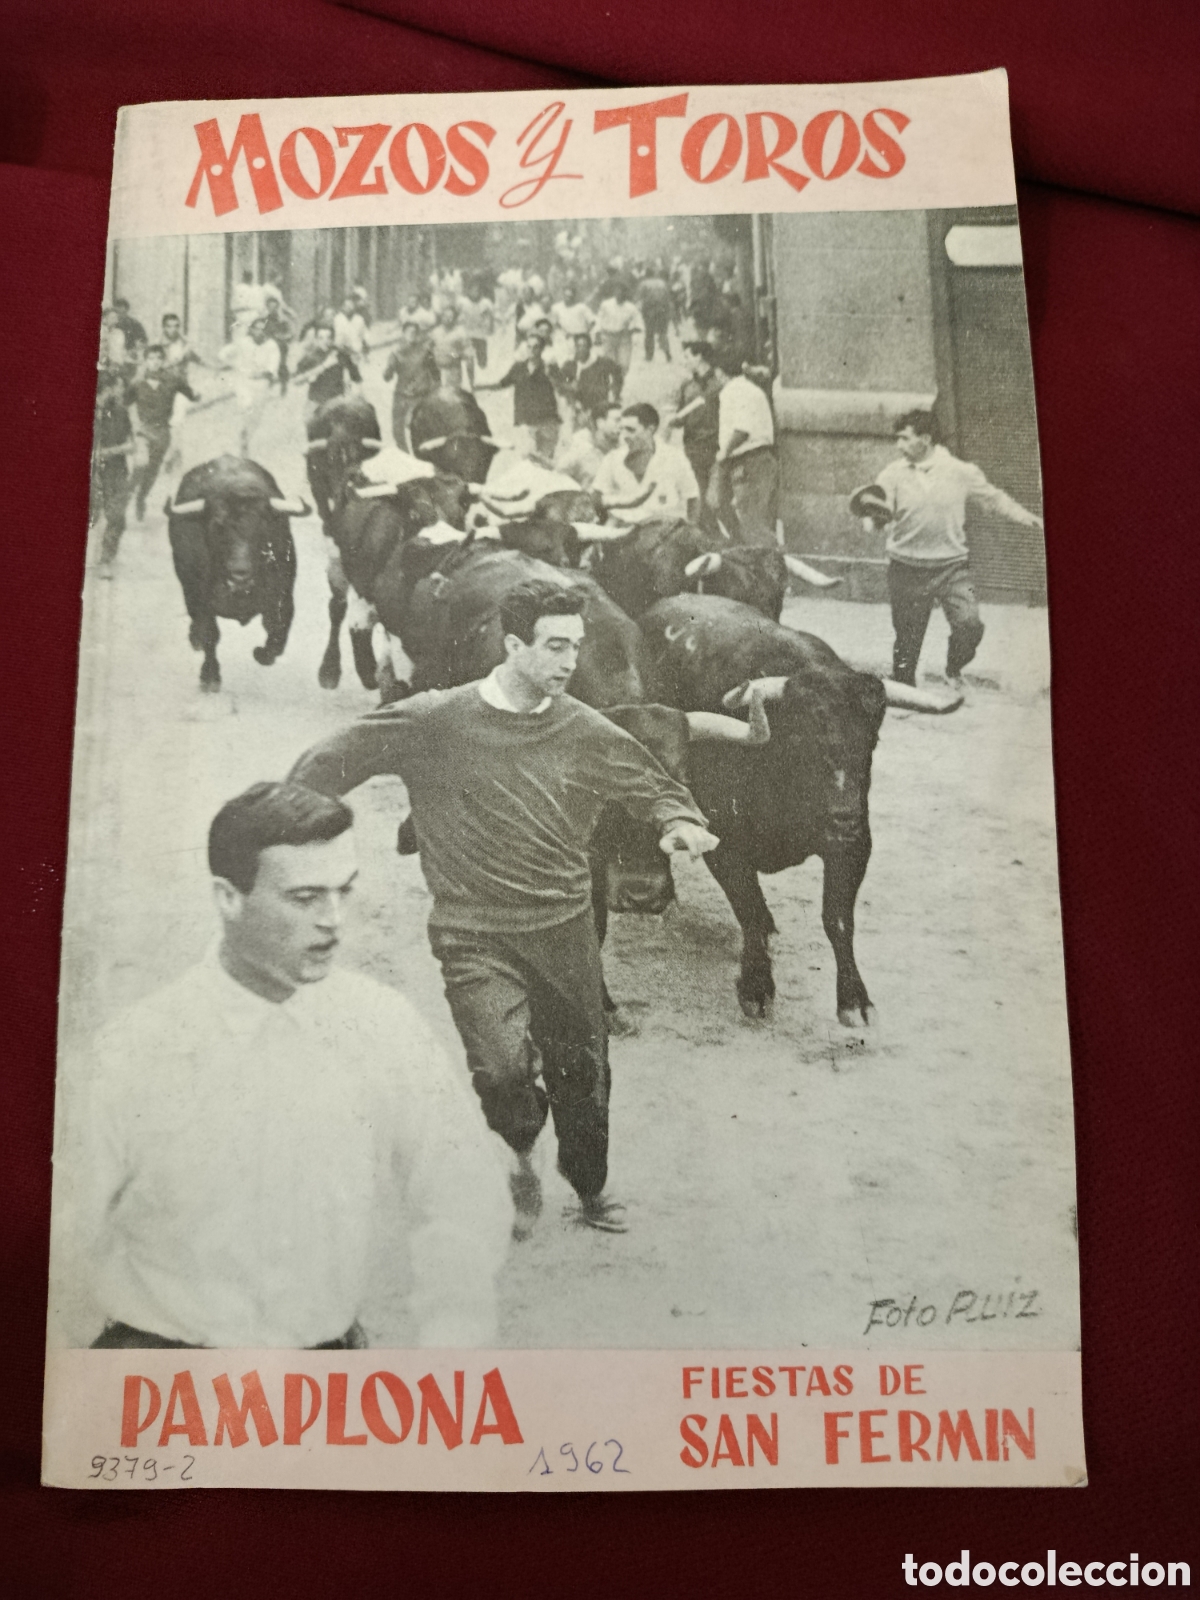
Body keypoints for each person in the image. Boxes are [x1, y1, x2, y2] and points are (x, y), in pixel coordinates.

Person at [290, 581, 718, 1237]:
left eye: (575, 646)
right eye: (554, 646)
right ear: (513, 644)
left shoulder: (581, 726)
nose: (569, 661)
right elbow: (330, 760)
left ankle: (589, 1187)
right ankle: (519, 1155)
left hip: (564, 929)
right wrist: (289, 822)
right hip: (473, 933)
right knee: (501, 1066)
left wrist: (678, 821)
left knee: (583, 1072)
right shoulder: (435, 719)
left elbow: (650, 782)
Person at [74, 782, 511, 1350]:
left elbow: (459, 1189)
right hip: (162, 1373)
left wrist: (455, 1334)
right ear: (228, 898)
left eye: (343, 891)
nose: (334, 919)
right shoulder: (137, 1049)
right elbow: (58, 1234)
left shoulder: (382, 1026)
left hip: (321, 1367)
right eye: (305, 898)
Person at [862, 410, 1044, 688]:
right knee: (907, 638)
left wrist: (1026, 517)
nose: (898, 445)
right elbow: (877, 513)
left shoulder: (961, 471)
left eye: (904, 438)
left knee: (970, 625)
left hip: (953, 568)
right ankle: (905, 690)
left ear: (925, 439)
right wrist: (871, 520)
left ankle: (953, 668)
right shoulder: (891, 474)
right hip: (906, 567)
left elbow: (994, 498)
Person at [591, 402, 700, 527]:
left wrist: (690, 527)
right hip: (624, 532)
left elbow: (692, 497)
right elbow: (596, 498)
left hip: (664, 531)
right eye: (622, 429)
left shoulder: (675, 457)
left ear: (650, 430)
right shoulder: (612, 458)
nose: (624, 436)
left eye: (630, 430)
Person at [128, 344, 198, 520]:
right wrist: (133, 425)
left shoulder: (173, 380)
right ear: (145, 361)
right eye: (151, 358)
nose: (155, 362)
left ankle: (141, 498)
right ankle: (127, 492)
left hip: (162, 432)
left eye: (159, 358)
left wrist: (197, 395)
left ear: (163, 361)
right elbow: (125, 402)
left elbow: (191, 394)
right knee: (141, 463)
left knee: (152, 471)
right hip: (143, 429)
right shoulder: (137, 382)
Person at [714, 351, 778, 544]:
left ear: (720, 373)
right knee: (736, 511)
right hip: (755, 459)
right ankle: (743, 548)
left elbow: (742, 430)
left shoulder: (733, 391)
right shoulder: (750, 389)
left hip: (751, 459)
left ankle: (769, 557)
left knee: (752, 521)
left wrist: (724, 453)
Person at [667, 341, 723, 525]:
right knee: (699, 502)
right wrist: (675, 421)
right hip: (693, 449)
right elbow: (681, 416)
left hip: (717, 449)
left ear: (699, 357)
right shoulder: (687, 386)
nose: (684, 361)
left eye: (687, 356)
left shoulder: (719, 383)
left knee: (718, 502)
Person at [488, 331, 562, 465]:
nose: (532, 350)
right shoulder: (518, 367)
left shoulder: (549, 368)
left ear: (542, 349)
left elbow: (561, 387)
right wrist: (480, 387)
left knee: (546, 463)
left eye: (536, 347)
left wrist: (551, 376)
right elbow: (502, 383)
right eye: (529, 346)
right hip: (526, 422)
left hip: (547, 422)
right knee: (528, 462)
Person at [89, 367, 135, 576]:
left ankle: (105, 559)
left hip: (116, 471)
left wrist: (111, 452)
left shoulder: (120, 412)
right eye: (115, 388)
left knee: (117, 516)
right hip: (91, 474)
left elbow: (131, 444)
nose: (119, 392)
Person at [219, 314, 280, 454]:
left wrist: (260, 374)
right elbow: (224, 353)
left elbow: (271, 369)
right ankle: (241, 439)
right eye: (256, 329)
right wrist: (231, 363)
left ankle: (246, 437)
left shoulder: (272, 346)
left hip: (261, 385)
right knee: (246, 406)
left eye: (262, 329)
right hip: (244, 382)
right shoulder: (244, 342)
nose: (259, 332)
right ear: (251, 330)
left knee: (256, 418)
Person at [382, 319, 439, 449]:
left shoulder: (425, 351)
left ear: (418, 334)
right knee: (397, 428)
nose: (411, 335)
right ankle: (403, 453)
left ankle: (423, 452)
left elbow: (435, 373)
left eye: (414, 332)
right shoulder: (396, 353)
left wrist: (435, 390)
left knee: (424, 427)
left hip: (421, 394)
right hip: (402, 394)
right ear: (403, 333)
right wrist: (389, 369)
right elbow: (387, 377)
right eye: (408, 332)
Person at [293, 321, 363, 422]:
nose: (325, 341)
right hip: (316, 402)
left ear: (332, 339)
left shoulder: (340, 354)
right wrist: (323, 366)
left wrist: (353, 393)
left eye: (328, 337)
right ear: (316, 339)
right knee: (308, 421)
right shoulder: (310, 357)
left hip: (338, 400)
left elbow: (356, 377)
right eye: (321, 338)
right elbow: (296, 380)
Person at [553, 333, 623, 421]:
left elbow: (617, 371)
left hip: (599, 405)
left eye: (584, 346)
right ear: (575, 347)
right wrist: (569, 385)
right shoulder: (571, 365)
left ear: (590, 347)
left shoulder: (601, 362)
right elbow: (558, 381)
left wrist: (615, 391)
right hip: (578, 407)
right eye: (578, 346)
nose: (581, 349)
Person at [595, 282, 641, 375]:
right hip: (608, 337)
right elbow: (599, 319)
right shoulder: (606, 305)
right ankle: (611, 380)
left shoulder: (631, 308)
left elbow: (638, 324)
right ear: (614, 292)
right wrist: (597, 334)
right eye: (617, 291)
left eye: (622, 292)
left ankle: (619, 380)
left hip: (623, 339)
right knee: (608, 363)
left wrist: (631, 330)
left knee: (624, 364)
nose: (619, 294)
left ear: (625, 294)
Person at [429, 301, 475, 391]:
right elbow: (428, 350)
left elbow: (469, 354)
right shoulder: (435, 332)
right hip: (437, 371)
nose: (448, 319)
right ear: (442, 317)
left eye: (451, 317)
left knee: (452, 395)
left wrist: (456, 355)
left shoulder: (460, 332)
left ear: (455, 319)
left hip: (453, 371)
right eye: (445, 316)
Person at [637, 261, 674, 364]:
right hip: (662, 310)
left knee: (649, 333)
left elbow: (639, 298)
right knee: (663, 333)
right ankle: (667, 353)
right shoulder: (662, 283)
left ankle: (649, 355)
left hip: (649, 311)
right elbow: (668, 297)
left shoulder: (644, 284)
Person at [458, 279, 495, 372]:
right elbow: (457, 315)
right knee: (469, 358)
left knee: (482, 363)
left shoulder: (485, 302)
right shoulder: (463, 302)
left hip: (480, 334)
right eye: (473, 290)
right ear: (468, 291)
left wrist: (491, 327)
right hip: (468, 334)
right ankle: (470, 376)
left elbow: (492, 315)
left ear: (480, 291)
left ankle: (482, 370)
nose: (475, 293)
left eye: (477, 290)